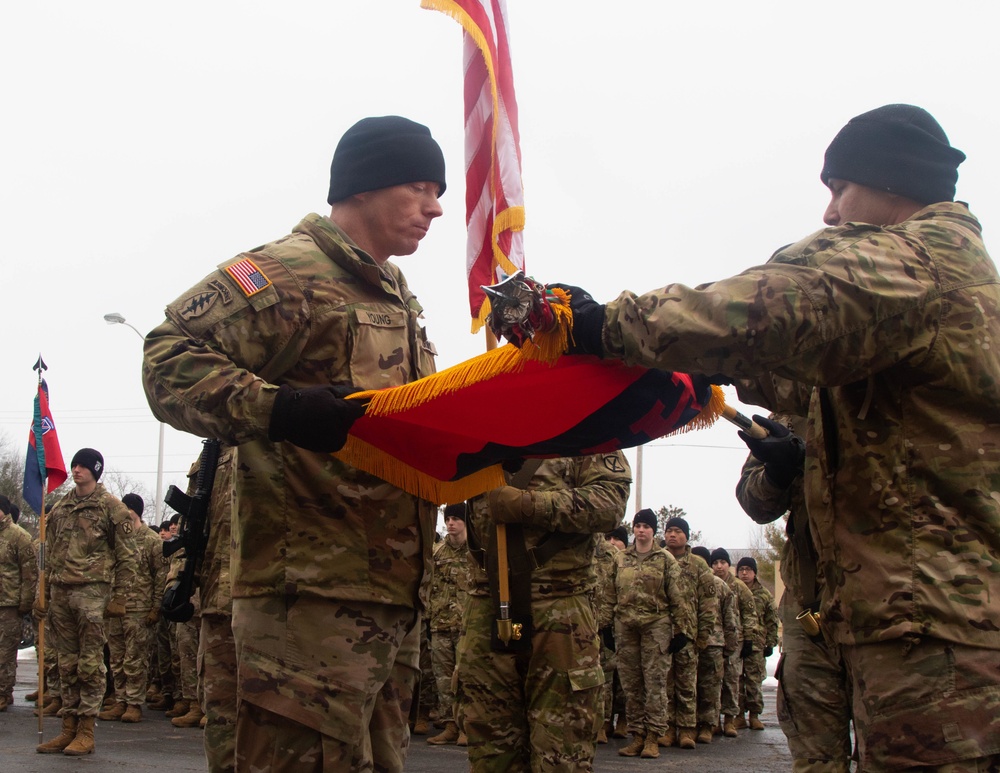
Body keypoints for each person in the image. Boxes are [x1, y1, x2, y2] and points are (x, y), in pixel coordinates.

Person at [553, 103, 1000, 770]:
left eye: (838, 189)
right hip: (903, 620)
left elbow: (772, 303)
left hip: (932, 630)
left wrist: (603, 325)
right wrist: (710, 373)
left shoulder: (918, 264)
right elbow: (810, 380)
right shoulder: (921, 293)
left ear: (889, 184)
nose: (829, 213)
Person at [142, 115, 446, 772]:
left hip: (388, 603)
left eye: (438, 190)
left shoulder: (397, 295)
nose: (436, 206)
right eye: (420, 186)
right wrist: (279, 408)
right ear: (364, 185)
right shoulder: (285, 274)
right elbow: (167, 359)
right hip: (305, 607)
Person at [457, 453, 631, 772]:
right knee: (491, 752)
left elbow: (610, 503)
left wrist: (530, 505)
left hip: (560, 606)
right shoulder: (475, 424)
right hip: (485, 603)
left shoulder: (584, 430)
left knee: (561, 752)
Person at [737, 410, 854, 771]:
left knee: (901, 751)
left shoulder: (899, 385)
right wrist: (778, 472)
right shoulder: (790, 417)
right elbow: (753, 501)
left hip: (893, 608)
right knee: (815, 758)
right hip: (811, 614)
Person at [35, 448, 138, 756]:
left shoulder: (111, 508)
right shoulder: (63, 506)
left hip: (93, 593)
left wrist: (120, 596)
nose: (76, 470)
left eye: (82, 466)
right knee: (65, 663)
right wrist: (43, 593)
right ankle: (67, 727)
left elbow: (127, 555)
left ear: (95, 470)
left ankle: (86, 730)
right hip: (62, 591)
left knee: (89, 664)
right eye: (74, 465)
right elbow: (48, 551)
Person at [612, 508, 694, 760]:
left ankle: (652, 737)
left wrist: (682, 630)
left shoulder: (665, 559)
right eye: (638, 526)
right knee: (631, 684)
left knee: (655, 683)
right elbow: (607, 594)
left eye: (646, 526)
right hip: (626, 626)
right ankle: (637, 735)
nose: (641, 530)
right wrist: (605, 625)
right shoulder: (621, 559)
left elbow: (679, 597)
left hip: (656, 626)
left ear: (652, 531)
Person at [99, 493, 166, 724]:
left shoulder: (151, 540)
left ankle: (134, 703)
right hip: (115, 608)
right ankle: (120, 701)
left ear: (136, 512)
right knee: (116, 658)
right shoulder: (114, 539)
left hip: (139, 609)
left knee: (135, 658)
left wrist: (156, 607)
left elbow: (161, 576)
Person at [661, 516, 717, 750]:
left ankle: (686, 729)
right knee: (663, 684)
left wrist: (703, 633)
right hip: (661, 632)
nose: (673, 535)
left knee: (686, 683)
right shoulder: (658, 560)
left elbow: (708, 601)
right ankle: (665, 728)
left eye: (677, 531)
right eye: (669, 531)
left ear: (687, 536)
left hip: (689, 634)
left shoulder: (698, 564)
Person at [426, 502, 469, 746]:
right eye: (448, 518)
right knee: (443, 680)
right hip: (440, 624)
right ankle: (450, 725)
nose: (450, 523)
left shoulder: (476, 551)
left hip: (466, 626)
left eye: (456, 519)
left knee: (465, 678)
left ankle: (466, 728)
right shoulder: (437, 552)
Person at [690, 545, 737, 745]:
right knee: (688, 686)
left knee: (710, 686)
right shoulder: (687, 581)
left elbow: (730, 618)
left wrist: (731, 646)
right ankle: (689, 725)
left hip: (713, 643)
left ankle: (708, 725)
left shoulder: (719, 586)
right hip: (689, 640)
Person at [710, 547, 757, 737]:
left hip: (734, 641)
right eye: (715, 563)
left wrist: (749, 639)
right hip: (713, 640)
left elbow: (749, 613)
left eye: (722, 562)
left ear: (729, 565)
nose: (719, 566)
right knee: (712, 682)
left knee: (731, 681)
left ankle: (730, 719)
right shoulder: (709, 583)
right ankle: (713, 721)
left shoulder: (739, 586)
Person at [0, 494, 37, 712]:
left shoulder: (19, 537)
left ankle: (4, 692)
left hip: (9, 604)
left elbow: (30, 574)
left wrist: (26, 603)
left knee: (5, 652)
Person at [735, 556, 778, 730]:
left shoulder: (764, 594)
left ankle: (754, 715)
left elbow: (772, 620)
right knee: (735, 681)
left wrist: (770, 643)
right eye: (741, 570)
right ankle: (737, 715)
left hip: (756, 644)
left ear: (755, 573)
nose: (745, 573)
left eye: (748, 569)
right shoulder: (732, 589)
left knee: (754, 681)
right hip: (737, 642)